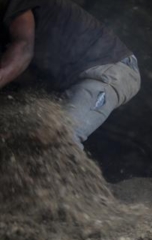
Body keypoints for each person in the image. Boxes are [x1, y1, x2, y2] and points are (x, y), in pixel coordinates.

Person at [0, 0, 140, 148]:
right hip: (64, 82)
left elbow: (23, 51)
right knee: (21, 139)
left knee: (59, 138)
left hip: (107, 69)